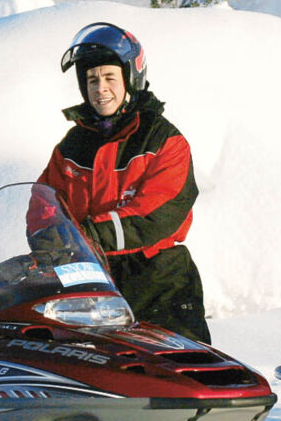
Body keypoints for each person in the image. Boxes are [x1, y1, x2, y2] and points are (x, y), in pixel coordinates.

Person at [38, 22, 210, 343]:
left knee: (178, 376)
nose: (100, 88)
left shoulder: (163, 141)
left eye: (109, 78)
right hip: (90, 281)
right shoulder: (72, 146)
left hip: (156, 280)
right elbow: (43, 206)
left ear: (131, 78)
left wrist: (87, 234)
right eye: (91, 80)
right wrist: (51, 242)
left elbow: (157, 214)